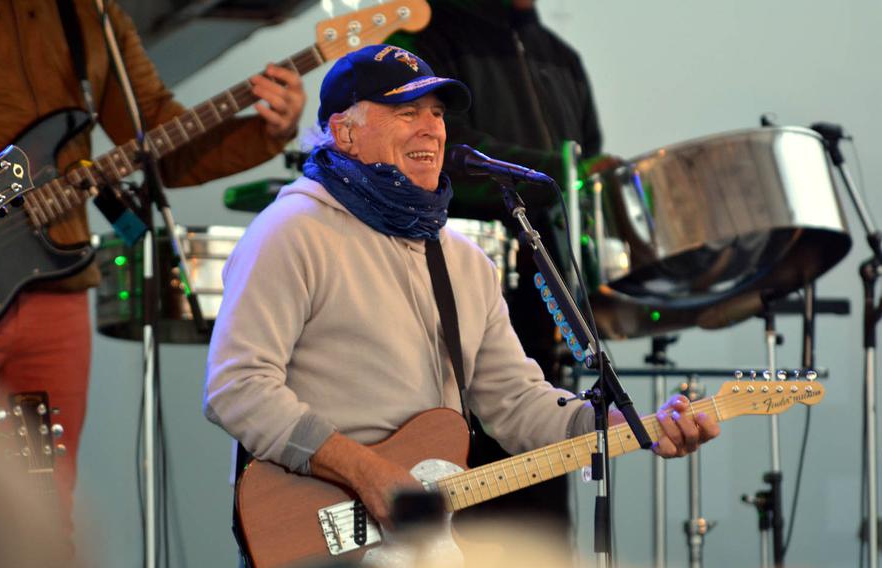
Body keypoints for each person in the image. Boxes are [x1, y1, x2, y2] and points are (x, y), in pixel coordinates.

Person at [203, 44, 718, 545]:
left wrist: (625, 426)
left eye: (436, 113)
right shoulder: (292, 231)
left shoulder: (463, 260)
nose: (432, 127)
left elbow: (516, 404)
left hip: (424, 541)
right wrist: (367, 472)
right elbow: (237, 388)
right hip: (311, 527)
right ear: (345, 132)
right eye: (406, 112)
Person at [0, 0, 305, 548]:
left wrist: (270, 130)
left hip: (52, 287)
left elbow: (163, 141)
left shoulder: (91, 16)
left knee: (43, 504)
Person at [389, 0, 604, 533]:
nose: (429, 124)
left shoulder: (562, 56)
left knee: (537, 491)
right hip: (444, 280)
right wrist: (559, 170)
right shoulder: (424, 35)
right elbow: (445, 154)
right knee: (464, 467)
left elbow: (586, 175)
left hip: (540, 282)